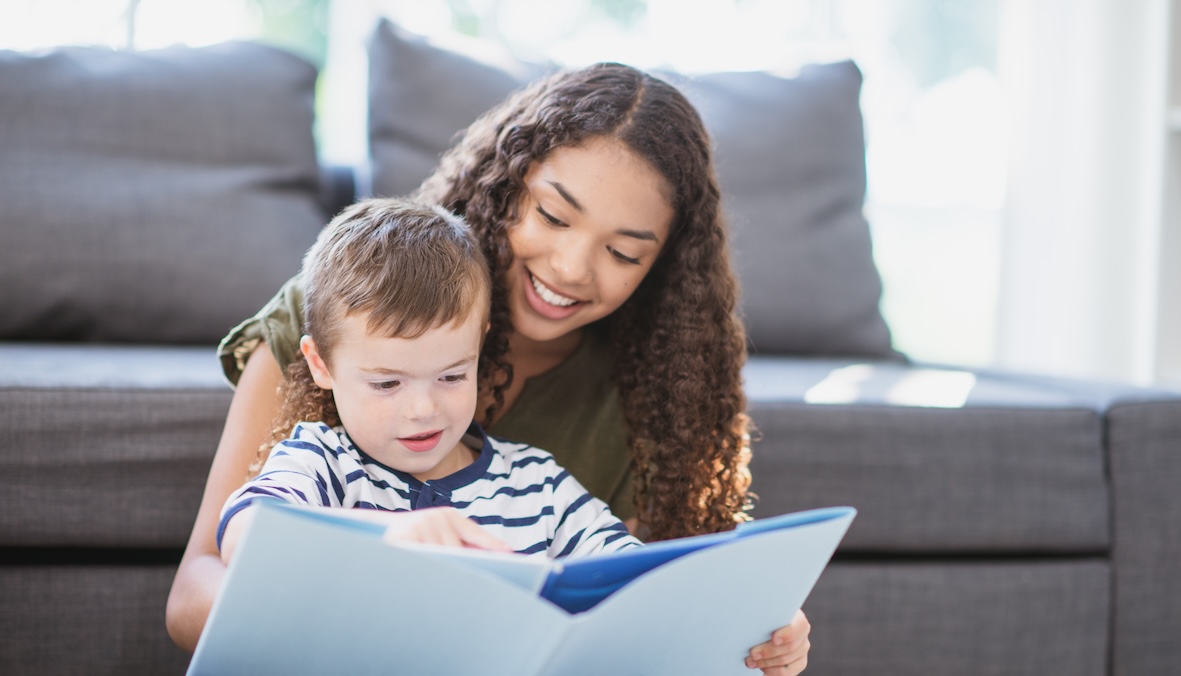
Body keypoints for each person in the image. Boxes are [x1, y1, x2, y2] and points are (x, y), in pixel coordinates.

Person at [167, 61, 812, 674]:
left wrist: (749, 627)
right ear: (505, 187)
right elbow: (218, 567)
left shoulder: (571, 460)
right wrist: (374, 586)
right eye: (552, 216)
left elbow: (640, 595)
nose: (570, 268)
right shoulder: (347, 321)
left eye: (621, 252)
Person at [217, 198, 641, 564]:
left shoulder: (540, 486)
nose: (424, 410)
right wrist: (385, 534)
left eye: (452, 375)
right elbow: (243, 535)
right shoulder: (323, 463)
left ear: (480, 346)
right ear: (322, 365)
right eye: (386, 384)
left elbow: (632, 571)